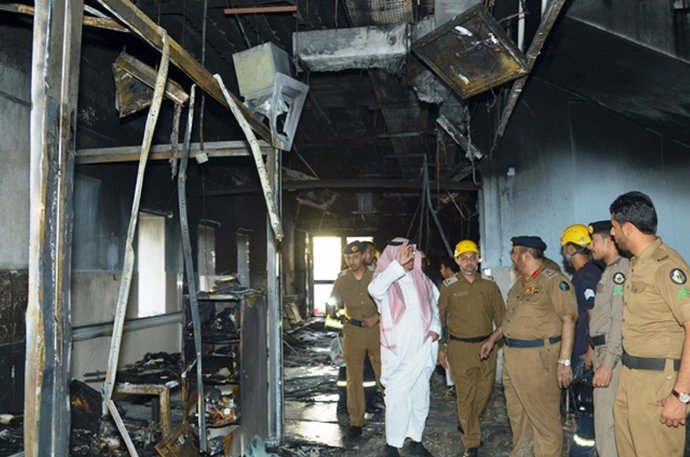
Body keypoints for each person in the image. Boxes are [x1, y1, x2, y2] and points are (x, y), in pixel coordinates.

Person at [480, 236, 577, 457]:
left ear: (525, 255)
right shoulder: (519, 284)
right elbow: (509, 321)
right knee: (519, 416)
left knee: (545, 422)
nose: (512, 257)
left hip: (538, 359)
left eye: (514, 252)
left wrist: (564, 361)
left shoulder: (554, 281)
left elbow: (569, 319)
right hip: (513, 358)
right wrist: (492, 339)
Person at [609, 191, 690, 456]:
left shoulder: (666, 266)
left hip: (659, 384)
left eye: (613, 227)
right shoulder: (637, 264)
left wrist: (681, 395)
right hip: (632, 377)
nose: (612, 234)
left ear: (628, 228)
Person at [368, 237, 441, 457]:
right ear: (392, 256)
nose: (411, 258)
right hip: (398, 351)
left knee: (421, 395)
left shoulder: (423, 280)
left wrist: (436, 327)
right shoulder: (385, 281)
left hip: (422, 348)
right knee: (398, 398)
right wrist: (397, 266)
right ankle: (392, 444)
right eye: (405, 254)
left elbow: (434, 306)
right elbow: (374, 289)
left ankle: (416, 440)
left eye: (412, 254)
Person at [438, 240, 505, 457]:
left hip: (486, 347)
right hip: (459, 348)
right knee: (465, 396)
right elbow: (439, 320)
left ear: (478, 260)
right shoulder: (448, 287)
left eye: (473, 257)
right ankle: (471, 441)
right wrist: (441, 347)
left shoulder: (489, 285)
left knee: (484, 394)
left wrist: (495, 339)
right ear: (457, 261)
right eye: (464, 258)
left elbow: (503, 318)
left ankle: (468, 422)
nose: (469, 261)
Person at [329, 241, 382, 440]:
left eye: (355, 257)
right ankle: (356, 421)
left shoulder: (376, 276)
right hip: (352, 332)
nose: (352, 261)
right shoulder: (341, 280)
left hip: (375, 331)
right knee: (353, 379)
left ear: (362, 257)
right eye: (348, 258)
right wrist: (334, 312)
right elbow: (333, 302)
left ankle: (396, 415)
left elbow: (390, 302)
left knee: (384, 374)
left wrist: (378, 317)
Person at [586, 220, 629, 457]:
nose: (590, 247)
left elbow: (618, 317)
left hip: (611, 355)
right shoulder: (610, 270)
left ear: (609, 241)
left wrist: (608, 362)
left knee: (606, 425)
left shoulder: (619, 271)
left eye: (593, 241)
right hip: (603, 351)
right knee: (606, 422)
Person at [560, 224, 602, 457]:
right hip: (583, 349)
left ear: (570, 248)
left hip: (585, 353)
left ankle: (581, 453)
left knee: (585, 408)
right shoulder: (586, 273)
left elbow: (593, 314)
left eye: (565, 249)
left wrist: (590, 350)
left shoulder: (586, 275)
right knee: (584, 408)